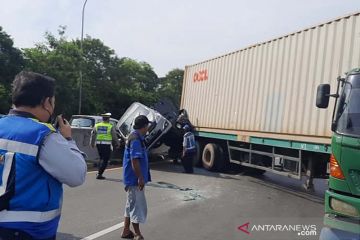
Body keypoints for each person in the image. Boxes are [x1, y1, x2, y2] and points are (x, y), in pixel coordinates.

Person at [0, 71, 87, 239]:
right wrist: (68, 139)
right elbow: (77, 175)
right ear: (46, 102)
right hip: (27, 231)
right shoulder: (43, 135)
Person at [121, 115, 151, 240]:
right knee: (136, 206)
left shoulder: (136, 137)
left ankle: (126, 231)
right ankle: (138, 233)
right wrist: (140, 178)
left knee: (130, 204)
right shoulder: (135, 139)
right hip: (134, 179)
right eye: (147, 126)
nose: (148, 128)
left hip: (132, 178)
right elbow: (135, 160)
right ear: (144, 126)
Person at [91, 113, 120, 180]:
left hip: (98, 144)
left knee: (101, 158)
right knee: (105, 159)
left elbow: (93, 135)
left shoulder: (97, 125)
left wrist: (92, 143)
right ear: (108, 119)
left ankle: (99, 172)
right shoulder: (110, 126)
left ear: (102, 118)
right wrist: (117, 143)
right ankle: (99, 173)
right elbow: (114, 136)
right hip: (106, 144)